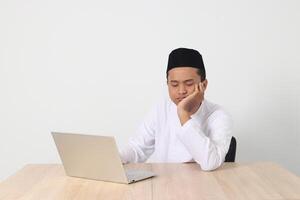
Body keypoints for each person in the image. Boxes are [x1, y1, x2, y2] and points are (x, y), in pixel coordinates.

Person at [120, 48, 233, 171]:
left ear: (204, 85)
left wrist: (183, 114)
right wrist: (117, 158)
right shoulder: (161, 108)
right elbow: (137, 148)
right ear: (167, 84)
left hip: (203, 186)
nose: (181, 91)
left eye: (189, 84)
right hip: (165, 183)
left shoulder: (218, 115)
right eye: (174, 84)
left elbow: (210, 162)